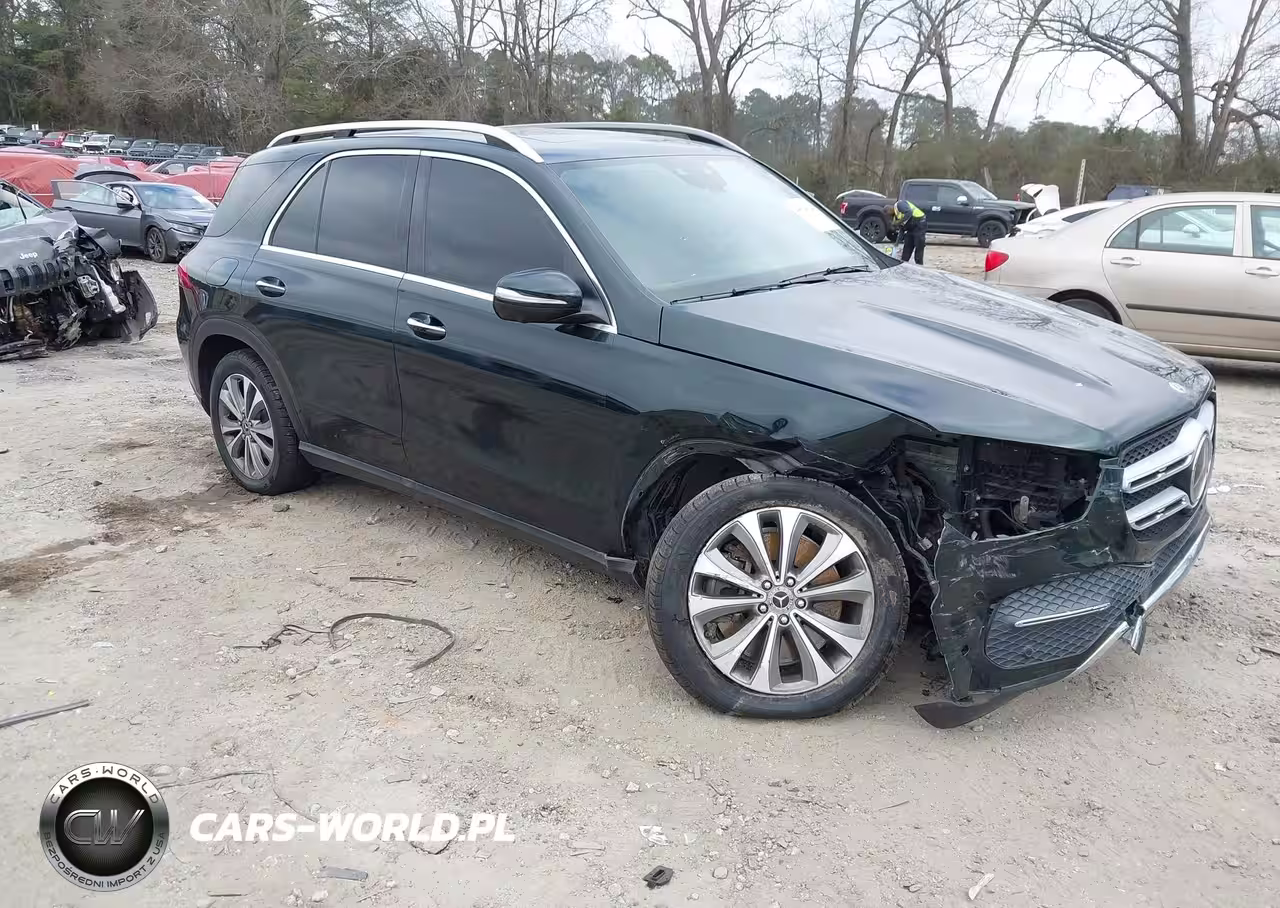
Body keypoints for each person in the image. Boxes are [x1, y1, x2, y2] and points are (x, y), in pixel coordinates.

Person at [884, 199, 927, 265]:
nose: (889, 216)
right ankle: (904, 262)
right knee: (908, 244)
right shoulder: (896, 216)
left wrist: (898, 222)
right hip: (911, 227)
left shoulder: (900, 204)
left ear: (890, 210)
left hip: (919, 223)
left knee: (919, 244)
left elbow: (909, 212)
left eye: (888, 214)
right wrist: (896, 243)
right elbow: (902, 230)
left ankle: (919, 264)